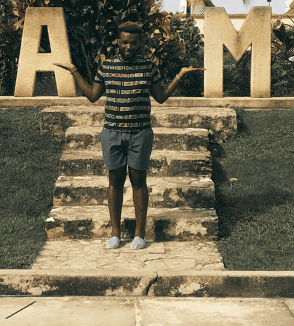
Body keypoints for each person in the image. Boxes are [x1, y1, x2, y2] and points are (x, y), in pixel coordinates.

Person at [54, 21, 203, 250]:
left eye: (133, 42)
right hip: (112, 133)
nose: (128, 46)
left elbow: (161, 97)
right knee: (114, 181)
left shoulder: (149, 67)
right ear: (118, 42)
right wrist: (74, 71)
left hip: (140, 134)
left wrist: (180, 76)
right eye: (124, 42)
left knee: (138, 182)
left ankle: (139, 235)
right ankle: (115, 233)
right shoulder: (107, 67)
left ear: (140, 43)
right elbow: (93, 96)